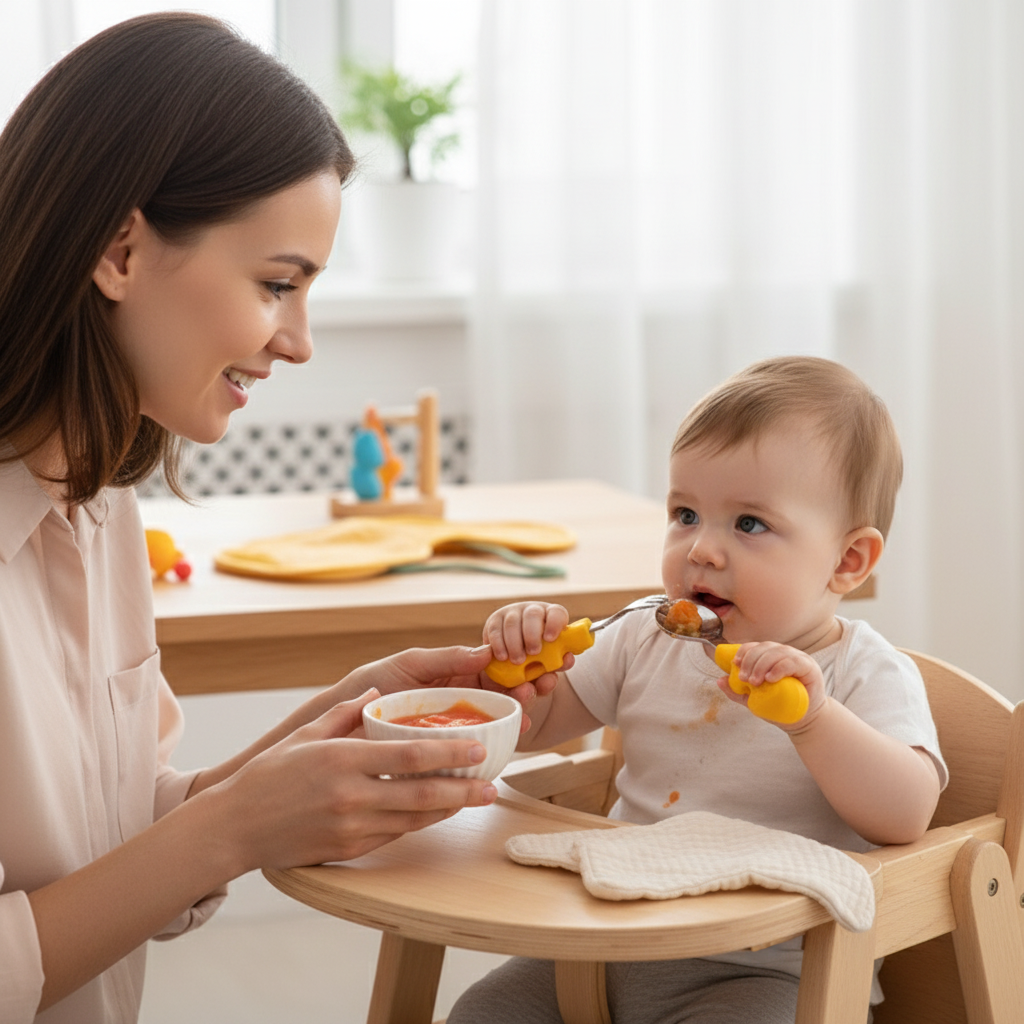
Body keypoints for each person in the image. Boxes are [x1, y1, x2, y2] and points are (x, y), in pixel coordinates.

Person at [0, 14, 504, 1023]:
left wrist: (307, 742)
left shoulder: (95, 504)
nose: (300, 342)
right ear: (120, 251)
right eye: (278, 284)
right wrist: (231, 828)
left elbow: (116, 839)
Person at [448, 356, 948, 1024]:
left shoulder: (861, 671)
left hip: (764, 967)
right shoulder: (641, 637)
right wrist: (520, 673)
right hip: (605, 934)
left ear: (847, 561)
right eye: (685, 513)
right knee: (483, 1012)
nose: (701, 550)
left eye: (748, 524)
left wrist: (814, 720)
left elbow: (906, 813)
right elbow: (531, 731)